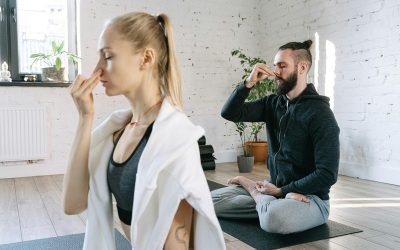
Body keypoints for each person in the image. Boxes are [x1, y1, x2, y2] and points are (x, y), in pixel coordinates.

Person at [62, 12, 225, 250]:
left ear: (146, 58)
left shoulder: (176, 141)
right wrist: (85, 117)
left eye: (107, 57)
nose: (97, 70)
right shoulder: (117, 131)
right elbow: (72, 204)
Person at [212, 40, 340, 234]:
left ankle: (257, 195)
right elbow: (230, 113)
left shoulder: (321, 114)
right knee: (207, 202)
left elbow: (327, 174)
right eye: (275, 65)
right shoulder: (272, 103)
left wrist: (282, 191)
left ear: (302, 67)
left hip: (310, 200)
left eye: (282, 65)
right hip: (274, 191)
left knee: (274, 219)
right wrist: (249, 83)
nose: (275, 72)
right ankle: (266, 203)